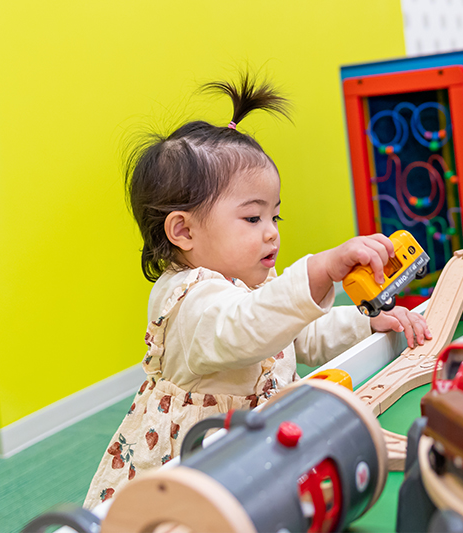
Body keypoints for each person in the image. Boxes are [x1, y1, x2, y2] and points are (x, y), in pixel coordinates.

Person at [84, 73, 431, 509]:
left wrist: (367, 322)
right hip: (198, 464)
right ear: (183, 231)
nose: (271, 234)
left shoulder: (255, 284)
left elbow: (304, 333)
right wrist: (321, 269)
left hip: (254, 445)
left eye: (275, 218)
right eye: (252, 219)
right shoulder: (189, 300)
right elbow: (246, 330)